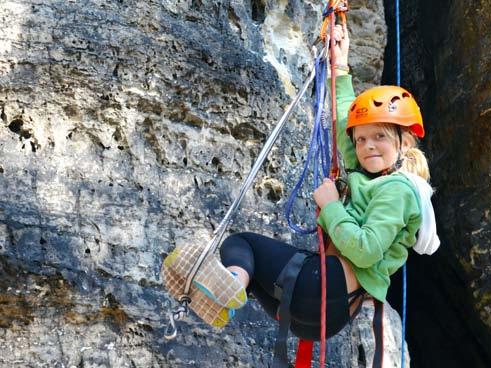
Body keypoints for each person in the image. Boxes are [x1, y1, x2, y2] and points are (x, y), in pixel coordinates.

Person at [162, 22, 439, 342]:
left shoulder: (398, 189)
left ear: (404, 143)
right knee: (250, 266)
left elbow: (365, 251)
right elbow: (342, 119)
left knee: (241, 245)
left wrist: (332, 205)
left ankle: (231, 286)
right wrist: (340, 63)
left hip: (325, 290)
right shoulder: (368, 173)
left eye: (379, 137)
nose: (368, 146)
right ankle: (229, 297)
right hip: (321, 318)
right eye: (361, 140)